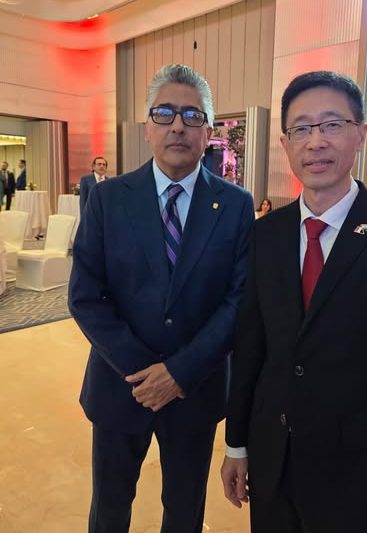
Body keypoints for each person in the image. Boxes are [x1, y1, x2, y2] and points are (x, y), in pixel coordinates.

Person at [221, 71, 367, 533]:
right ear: (286, 143)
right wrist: (237, 445)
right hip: (274, 468)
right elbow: (251, 349)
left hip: (360, 481)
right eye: (301, 129)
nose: (316, 142)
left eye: (332, 124)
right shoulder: (266, 234)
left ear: (360, 133)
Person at [68, 64, 253, 533]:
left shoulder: (235, 205)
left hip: (196, 389)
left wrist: (178, 374)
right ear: (147, 127)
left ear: (208, 131)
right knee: (109, 508)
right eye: (164, 113)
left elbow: (238, 301)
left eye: (192, 115)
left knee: (185, 511)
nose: (178, 126)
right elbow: (85, 296)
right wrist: (146, 374)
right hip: (120, 385)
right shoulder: (108, 199)